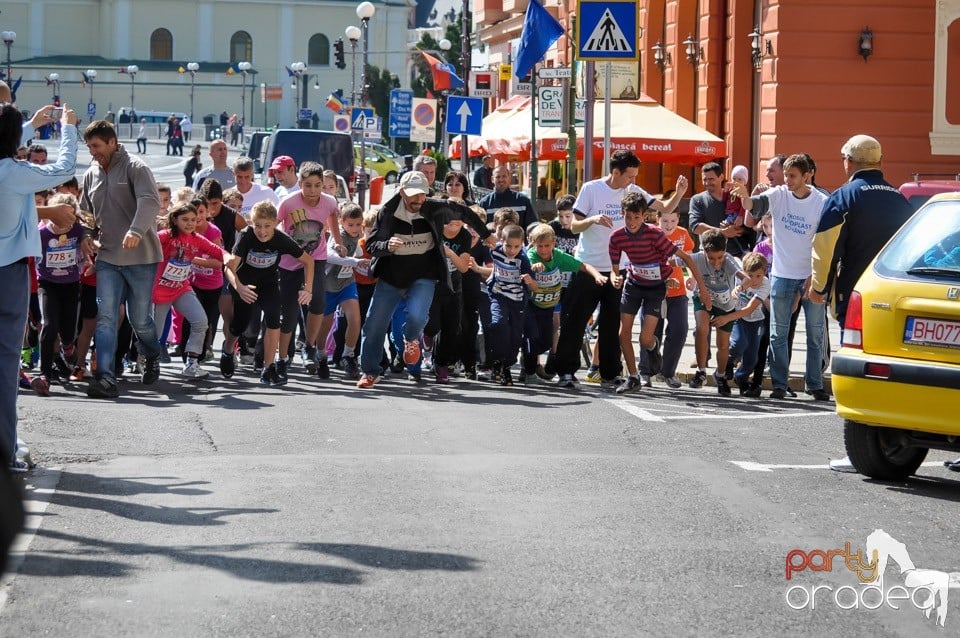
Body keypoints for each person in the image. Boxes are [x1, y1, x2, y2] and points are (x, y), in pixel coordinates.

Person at [808, 135, 914, 473]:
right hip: (897, 298)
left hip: (858, 298)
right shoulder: (900, 199)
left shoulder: (845, 196)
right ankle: (891, 446)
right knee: (892, 372)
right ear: (880, 162)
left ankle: (861, 452)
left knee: (860, 371)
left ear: (849, 162)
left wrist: (818, 287)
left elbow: (825, 246)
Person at [554, 149, 688, 389]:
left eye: (635, 177)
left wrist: (679, 193)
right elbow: (573, 226)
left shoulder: (633, 191)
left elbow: (666, 207)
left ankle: (609, 372)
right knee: (575, 319)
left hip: (621, 268)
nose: (633, 182)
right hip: (588, 265)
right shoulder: (591, 189)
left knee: (612, 322)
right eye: (629, 176)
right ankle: (566, 371)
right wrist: (593, 220)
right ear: (615, 172)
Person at [356, 171, 494, 389]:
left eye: (422, 195)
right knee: (374, 325)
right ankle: (370, 371)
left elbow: (464, 212)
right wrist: (386, 246)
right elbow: (372, 245)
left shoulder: (433, 207)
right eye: (413, 196)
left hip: (424, 274)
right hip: (392, 276)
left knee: (419, 317)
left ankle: (411, 339)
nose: (418, 201)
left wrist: (486, 235)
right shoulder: (389, 212)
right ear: (402, 192)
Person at [732, 153, 830, 401]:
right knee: (777, 334)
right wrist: (744, 194)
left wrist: (813, 278)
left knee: (815, 333)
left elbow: (826, 242)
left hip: (811, 276)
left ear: (807, 176)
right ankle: (779, 384)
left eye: (792, 175)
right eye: (785, 174)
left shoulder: (821, 201)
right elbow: (752, 206)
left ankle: (814, 384)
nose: (787, 180)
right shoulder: (778, 195)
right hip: (782, 275)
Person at [80, 119, 165, 398]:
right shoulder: (91, 173)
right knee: (106, 317)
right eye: (90, 147)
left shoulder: (135, 167)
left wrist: (136, 230)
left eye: (97, 146)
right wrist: (86, 236)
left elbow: (150, 201)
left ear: (112, 142)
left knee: (139, 319)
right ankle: (105, 377)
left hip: (141, 257)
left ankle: (151, 353)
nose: (93, 152)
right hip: (107, 258)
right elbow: (86, 214)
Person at [609, 193, 709, 394]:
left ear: (644, 216)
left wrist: (702, 289)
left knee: (646, 339)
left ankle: (654, 348)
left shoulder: (654, 234)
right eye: (628, 217)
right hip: (634, 284)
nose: (632, 222)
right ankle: (634, 377)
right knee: (623, 334)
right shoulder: (617, 237)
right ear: (622, 214)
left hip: (656, 287)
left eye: (636, 217)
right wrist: (614, 278)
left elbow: (686, 259)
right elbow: (614, 268)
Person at [221, 201, 314, 385]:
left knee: (274, 319)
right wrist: (239, 287)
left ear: (275, 224)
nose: (262, 231)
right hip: (246, 285)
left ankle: (268, 368)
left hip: (268, 284)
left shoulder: (281, 238)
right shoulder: (246, 235)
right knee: (240, 325)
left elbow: (308, 261)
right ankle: (228, 349)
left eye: (267, 226)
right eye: (258, 226)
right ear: (252, 223)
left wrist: (308, 288)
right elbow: (229, 268)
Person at [276, 162, 343, 380]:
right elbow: (275, 224)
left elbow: (333, 215)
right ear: (300, 184)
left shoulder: (329, 201)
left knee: (318, 303)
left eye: (317, 185)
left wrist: (338, 241)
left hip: (317, 258)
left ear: (323, 185)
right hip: (290, 262)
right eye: (307, 185)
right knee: (289, 313)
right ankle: (283, 357)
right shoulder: (288, 203)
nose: (312, 191)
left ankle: (310, 346)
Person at [153, 202, 234, 379]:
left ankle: (191, 363)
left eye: (193, 220)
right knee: (156, 333)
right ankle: (145, 360)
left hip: (181, 289)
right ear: (175, 220)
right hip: (160, 291)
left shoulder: (196, 238)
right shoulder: (164, 236)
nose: (190, 223)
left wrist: (228, 257)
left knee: (200, 321)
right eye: (185, 220)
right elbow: (146, 246)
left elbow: (218, 252)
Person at [34, 192, 86, 395]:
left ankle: (67, 347)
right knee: (49, 325)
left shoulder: (78, 230)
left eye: (70, 220)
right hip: (47, 284)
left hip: (71, 284)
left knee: (68, 329)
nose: (65, 225)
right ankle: (45, 373)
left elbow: (88, 240)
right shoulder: (42, 233)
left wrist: (88, 255)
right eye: (60, 220)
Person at [640, 205, 695, 388]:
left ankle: (668, 372)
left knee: (679, 330)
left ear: (679, 219)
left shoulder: (683, 234)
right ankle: (646, 372)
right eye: (665, 221)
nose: (669, 225)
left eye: (673, 220)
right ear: (657, 218)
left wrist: (693, 277)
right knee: (650, 333)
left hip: (678, 292)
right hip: (654, 290)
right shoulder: (650, 234)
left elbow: (689, 257)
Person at [319, 203, 369, 380]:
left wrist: (357, 258)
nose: (355, 229)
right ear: (341, 222)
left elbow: (356, 251)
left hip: (347, 284)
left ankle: (349, 356)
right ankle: (321, 355)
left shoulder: (357, 237)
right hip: (329, 286)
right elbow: (330, 256)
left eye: (358, 224)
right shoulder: (337, 236)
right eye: (350, 225)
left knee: (355, 319)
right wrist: (354, 262)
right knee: (325, 324)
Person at [486, 224, 539, 386]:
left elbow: (535, 286)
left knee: (515, 337)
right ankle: (496, 361)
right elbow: (483, 236)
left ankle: (506, 366)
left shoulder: (522, 259)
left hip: (517, 302)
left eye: (517, 246)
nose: (512, 250)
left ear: (522, 244)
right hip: (498, 295)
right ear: (502, 241)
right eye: (508, 245)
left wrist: (530, 282)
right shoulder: (494, 250)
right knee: (498, 324)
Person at [715, 252, 771, 396]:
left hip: (754, 319)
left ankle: (741, 378)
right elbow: (728, 257)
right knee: (739, 342)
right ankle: (727, 363)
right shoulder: (739, 278)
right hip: (737, 317)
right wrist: (736, 290)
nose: (754, 280)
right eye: (750, 276)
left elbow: (750, 308)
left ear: (764, 273)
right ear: (744, 273)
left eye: (758, 276)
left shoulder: (765, 284)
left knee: (752, 357)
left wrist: (727, 318)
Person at [689, 161, 754, 258]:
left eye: (711, 179)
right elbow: (695, 226)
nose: (707, 183)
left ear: (721, 177)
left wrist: (738, 229)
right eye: (704, 179)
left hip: (736, 254)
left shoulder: (736, 196)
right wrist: (722, 232)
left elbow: (749, 225)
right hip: (709, 255)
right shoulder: (697, 200)